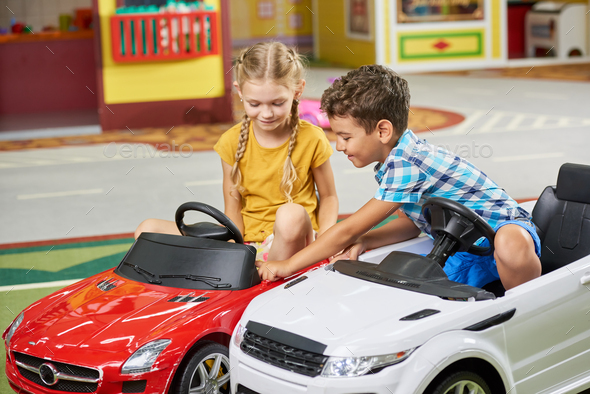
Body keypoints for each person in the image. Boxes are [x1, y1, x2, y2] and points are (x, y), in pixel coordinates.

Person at [257, 64, 542, 291]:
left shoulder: (407, 164)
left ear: (382, 131)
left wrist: (287, 265)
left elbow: (347, 230)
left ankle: (528, 306)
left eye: (345, 137)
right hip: (464, 249)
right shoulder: (393, 161)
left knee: (509, 241)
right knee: (413, 288)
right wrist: (367, 241)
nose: (339, 146)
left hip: (506, 233)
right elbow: (409, 225)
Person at [135, 42, 338, 263]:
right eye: (255, 103)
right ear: (240, 92)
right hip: (247, 244)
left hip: (295, 242)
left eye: (277, 103)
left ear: (297, 91)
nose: (266, 113)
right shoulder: (230, 142)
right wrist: (235, 250)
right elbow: (233, 207)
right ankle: (251, 268)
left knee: (291, 215)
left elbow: (328, 197)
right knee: (148, 230)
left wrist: (325, 241)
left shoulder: (313, 138)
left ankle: (270, 270)